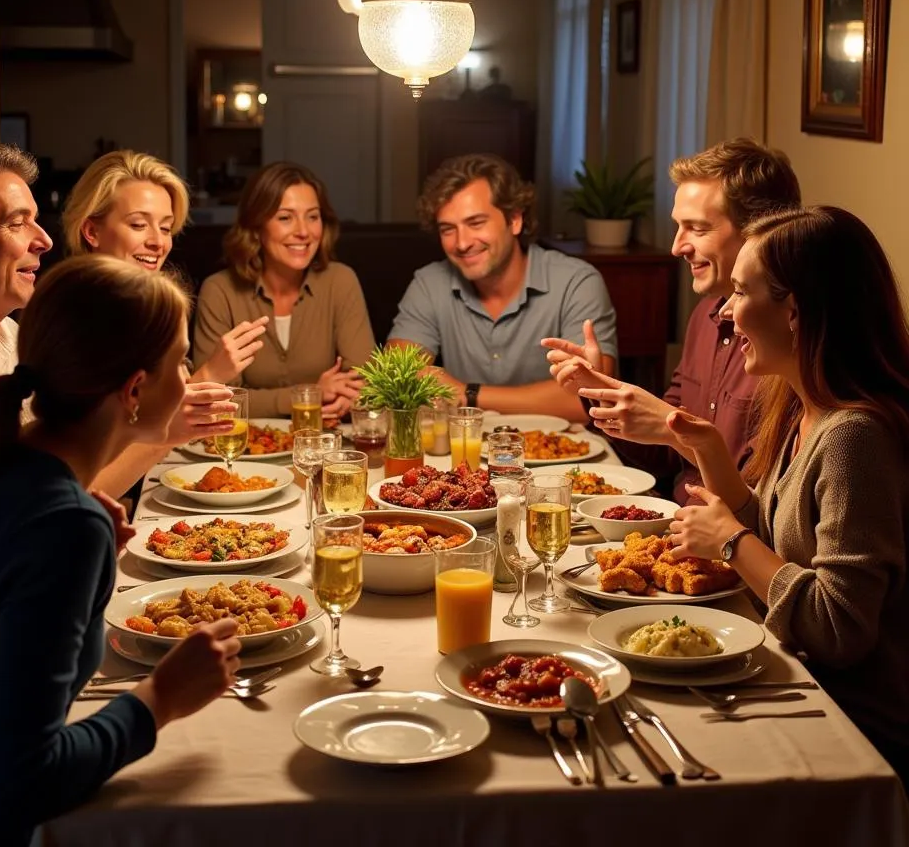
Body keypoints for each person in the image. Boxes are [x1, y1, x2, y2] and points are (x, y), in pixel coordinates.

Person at [0, 255, 243, 844]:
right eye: (179, 361)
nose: (189, 378)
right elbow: (19, 786)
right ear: (134, 389)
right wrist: (161, 697)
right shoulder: (61, 524)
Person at [662, 206, 909, 783]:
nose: (726, 311)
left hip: (856, 728)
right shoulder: (801, 405)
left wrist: (730, 543)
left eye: (741, 293)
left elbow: (839, 630)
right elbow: (783, 539)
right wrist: (711, 455)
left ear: (793, 311)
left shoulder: (855, 437)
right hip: (795, 677)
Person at [0, 140, 233, 496]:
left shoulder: (11, 336)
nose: (45, 240)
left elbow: (55, 483)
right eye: (18, 223)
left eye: (166, 227)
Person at [544, 138, 801, 500]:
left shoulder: (786, 340)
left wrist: (670, 430)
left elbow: (768, 505)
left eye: (697, 228)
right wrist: (600, 389)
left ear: (758, 233)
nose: (676, 246)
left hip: (734, 542)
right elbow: (663, 456)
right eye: (678, 226)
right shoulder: (704, 317)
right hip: (678, 526)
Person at [387, 153, 617, 422]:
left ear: (515, 220)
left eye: (476, 223)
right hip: (463, 454)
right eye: (448, 229)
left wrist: (466, 394)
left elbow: (588, 398)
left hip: (559, 456)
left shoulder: (575, 282)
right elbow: (398, 376)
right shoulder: (429, 283)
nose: (462, 243)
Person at [62, 149, 268, 384]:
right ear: (91, 232)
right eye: (138, 225)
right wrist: (210, 376)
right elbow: (116, 418)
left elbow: (168, 406)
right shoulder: (68, 315)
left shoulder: (162, 306)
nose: (158, 243)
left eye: (165, 228)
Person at [193, 161, 374, 419]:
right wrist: (310, 395)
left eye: (313, 216)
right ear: (256, 228)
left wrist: (348, 399)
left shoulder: (341, 281)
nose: (303, 231)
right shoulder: (220, 291)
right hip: (244, 445)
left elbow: (363, 381)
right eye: (285, 218)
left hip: (323, 444)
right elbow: (216, 398)